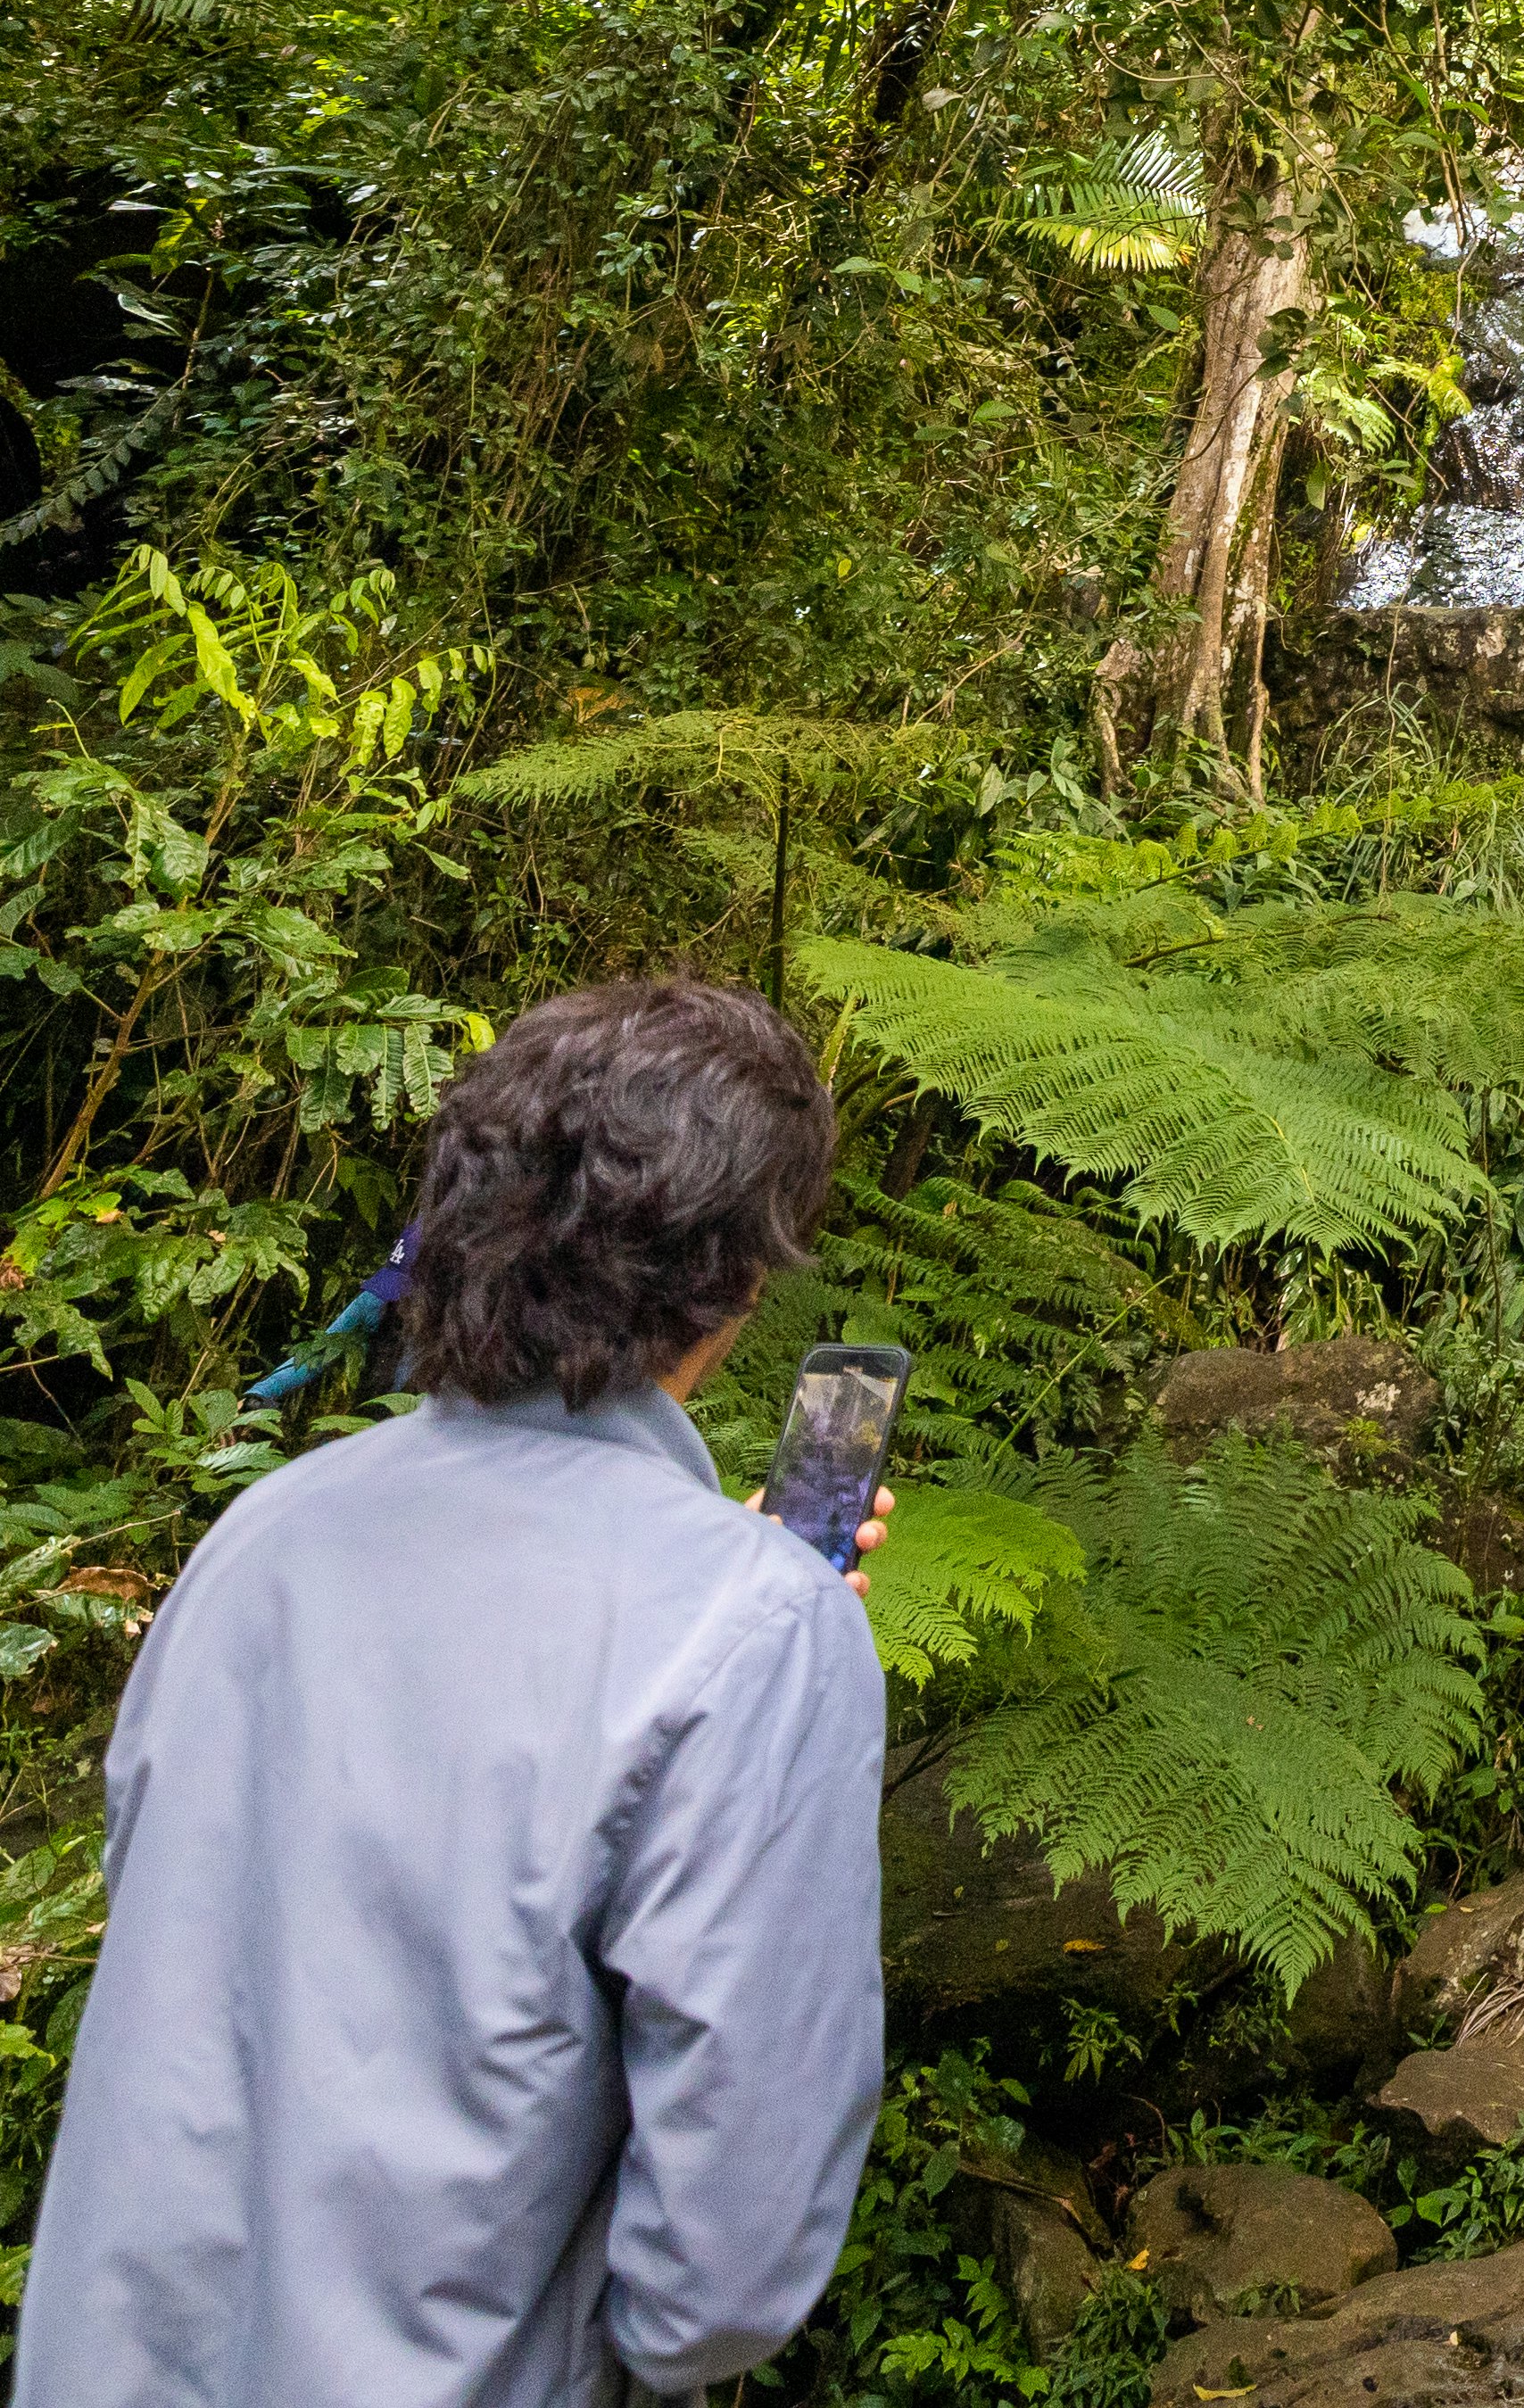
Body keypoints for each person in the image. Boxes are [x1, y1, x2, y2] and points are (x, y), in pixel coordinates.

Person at [25, 977, 894, 2406]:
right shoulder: (750, 1634)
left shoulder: (264, 1540)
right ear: (740, 1276)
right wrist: (754, 1622)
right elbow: (720, 2278)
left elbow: (201, 1938)